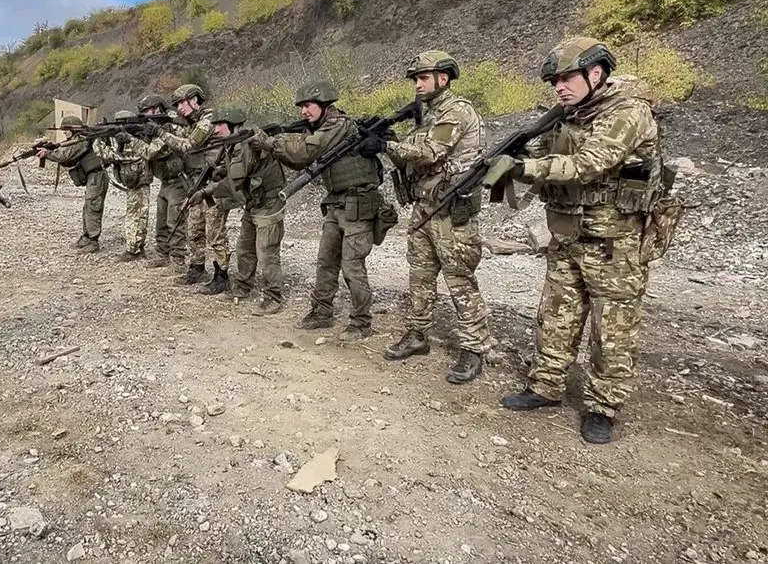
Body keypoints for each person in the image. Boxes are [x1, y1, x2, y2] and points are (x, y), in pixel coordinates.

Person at [496, 37, 667, 445]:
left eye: (566, 78)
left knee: (611, 331)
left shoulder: (629, 112)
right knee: (556, 315)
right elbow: (540, 148)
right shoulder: (568, 116)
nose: (558, 87)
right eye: (554, 80)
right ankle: (546, 386)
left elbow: (589, 163)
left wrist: (522, 168)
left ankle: (603, 406)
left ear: (596, 73)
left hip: (615, 241)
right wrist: (510, 157)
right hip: (569, 233)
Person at [250, 80, 397, 342]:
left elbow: (304, 153)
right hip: (336, 204)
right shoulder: (320, 127)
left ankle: (361, 322)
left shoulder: (338, 126)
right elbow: (299, 156)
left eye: (307, 106)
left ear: (324, 104)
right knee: (326, 262)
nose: (303, 112)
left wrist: (269, 142)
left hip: (359, 205)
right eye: (302, 107)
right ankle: (322, 311)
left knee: (352, 267)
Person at [381, 51, 492, 384]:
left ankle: (473, 349)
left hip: (451, 212)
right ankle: (418, 334)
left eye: (423, 77)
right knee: (420, 275)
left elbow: (431, 152)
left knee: (459, 281)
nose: (417, 83)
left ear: (443, 78)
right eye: (416, 78)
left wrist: (386, 146)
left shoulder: (456, 112)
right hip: (425, 207)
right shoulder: (429, 116)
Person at [191, 106, 287, 315]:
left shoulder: (245, 144)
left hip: (268, 203)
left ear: (233, 125)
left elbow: (234, 180)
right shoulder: (234, 144)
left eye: (220, 125)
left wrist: (208, 191)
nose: (215, 130)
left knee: (267, 252)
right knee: (245, 247)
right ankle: (243, 286)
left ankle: (274, 296)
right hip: (254, 202)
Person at [147, 84, 233, 294]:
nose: (179, 108)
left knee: (215, 233)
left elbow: (190, 145)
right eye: (176, 105)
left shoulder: (208, 119)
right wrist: (164, 128)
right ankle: (196, 268)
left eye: (181, 103)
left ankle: (222, 275)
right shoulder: (191, 122)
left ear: (194, 100)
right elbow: (180, 136)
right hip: (195, 182)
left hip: (213, 182)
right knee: (194, 229)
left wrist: (161, 132)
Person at [131, 94, 189, 271]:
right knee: (161, 222)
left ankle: (178, 258)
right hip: (165, 181)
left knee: (175, 221)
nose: (146, 114)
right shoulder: (155, 129)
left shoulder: (170, 127)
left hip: (178, 180)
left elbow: (150, 152)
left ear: (158, 110)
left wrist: (130, 140)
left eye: (148, 111)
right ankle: (163, 253)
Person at [37, 115, 108, 252]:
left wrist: (48, 154)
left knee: (93, 207)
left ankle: (93, 241)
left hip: (97, 175)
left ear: (74, 130)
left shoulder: (81, 140)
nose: (65, 134)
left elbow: (65, 155)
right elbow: (66, 156)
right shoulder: (79, 140)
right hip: (93, 177)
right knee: (88, 207)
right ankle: (87, 237)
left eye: (66, 131)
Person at [94, 110, 153, 261]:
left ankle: (133, 250)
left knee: (135, 216)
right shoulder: (134, 139)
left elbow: (115, 156)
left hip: (138, 182)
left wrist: (99, 142)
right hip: (135, 182)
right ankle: (137, 247)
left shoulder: (135, 139)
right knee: (139, 215)